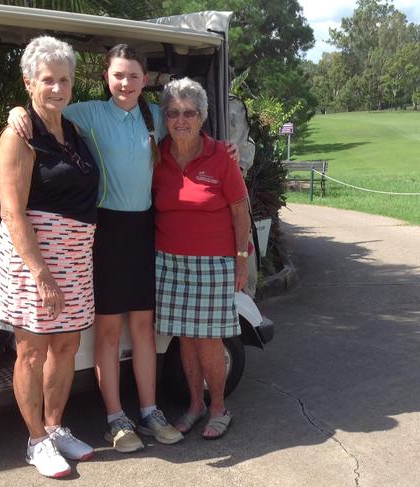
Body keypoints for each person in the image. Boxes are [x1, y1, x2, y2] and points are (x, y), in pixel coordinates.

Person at [8, 44, 183, 452]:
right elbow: (41, 108)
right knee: (107, 329)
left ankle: (150, 410)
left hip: (143, 229)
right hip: (103, 232)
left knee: (142, 326)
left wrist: (225, 150)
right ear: (106, 77)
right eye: (118, 75)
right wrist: (15, 112)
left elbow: (191, 132)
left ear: (145, 80)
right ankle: (115, 419)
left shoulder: (155, 116)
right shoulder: (85, 112)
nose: (125, 83)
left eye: (134, 76)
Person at [0, 36, 99, 478]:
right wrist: (41, 274)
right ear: (29, 83)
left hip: (74, 257)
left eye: (64, 80)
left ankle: (54, 429)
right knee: (31, 351)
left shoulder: (72, 131)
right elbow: (11, 211)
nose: (57, 88)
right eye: (47, 80)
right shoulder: (19, 134)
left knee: (67, 345)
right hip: (34, 259)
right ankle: (35, 440)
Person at [153, 78, 250, 440]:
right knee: (186, 339)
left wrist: (241, 259)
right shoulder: (156, 154)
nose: (181, 120)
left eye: (189, 113)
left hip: (213, 262)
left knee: (209, 339)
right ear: (165, 117)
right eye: (174, 112)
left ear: (202, 117)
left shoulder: (220, 157)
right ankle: (195, 405)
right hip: (169, 262)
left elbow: (240, 210)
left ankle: (219, 407)